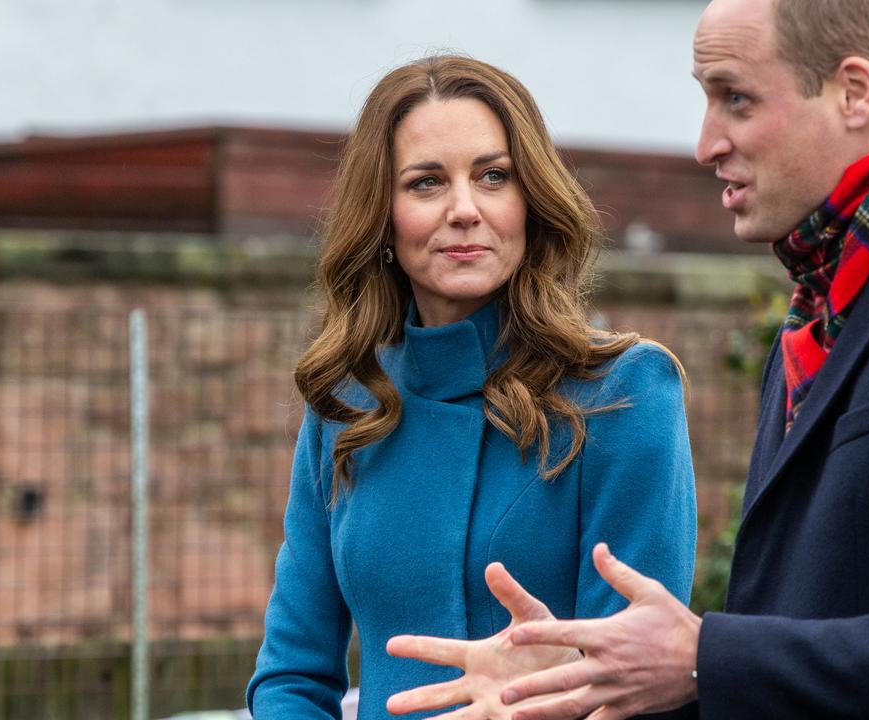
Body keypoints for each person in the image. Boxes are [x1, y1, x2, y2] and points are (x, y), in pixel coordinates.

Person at [394, 0, 869, 717]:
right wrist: (593, 677)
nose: (706, 143)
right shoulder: (826, 304)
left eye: (736, 99)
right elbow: (802, 643)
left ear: (853, 92)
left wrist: (700, 657)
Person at [245, 54, 697, 720]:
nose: (464, 209)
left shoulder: (625, 395)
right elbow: (291, 675)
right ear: (383, 218)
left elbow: (634, 688)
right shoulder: (346, 407)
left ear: (530, 201)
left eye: (493, 176)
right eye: (426, 183)